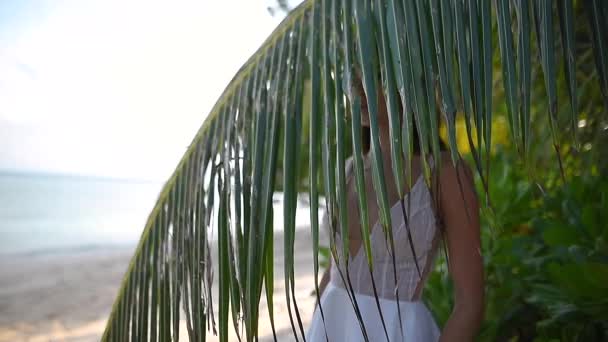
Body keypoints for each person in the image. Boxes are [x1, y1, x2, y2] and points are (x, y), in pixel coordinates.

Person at [306, 72, 484, 341]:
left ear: (403, 75)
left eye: (368, 75)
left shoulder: (445, 173)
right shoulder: (348, 169)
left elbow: (470, 304)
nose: (355, 88)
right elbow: (334, 271)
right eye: (350, 77)